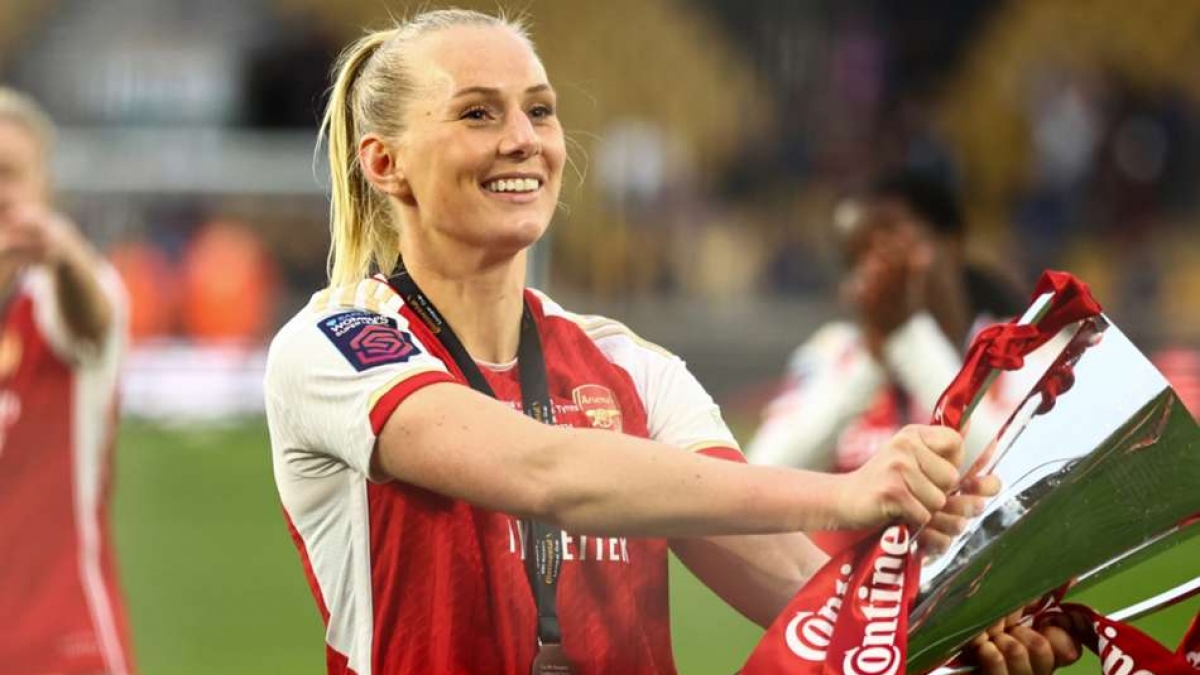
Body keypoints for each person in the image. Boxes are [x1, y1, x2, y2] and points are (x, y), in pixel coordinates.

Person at [263, 11, 1076, 675]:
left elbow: (804, 593)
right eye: (479, 113)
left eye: (539, 110)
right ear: (385, 162)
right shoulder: (337, 345)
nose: (524, 139)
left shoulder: (633, 368)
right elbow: (546, 472)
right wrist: (844, 495)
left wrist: (949, 637)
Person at [748, 170, 1028, 481]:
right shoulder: (831, 351)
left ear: (950, 244)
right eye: (856, 258)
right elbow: (761, 478)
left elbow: (1015, 473)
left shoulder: (1019, 343)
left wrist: (907, 335)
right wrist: (873, 359)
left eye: (894, 246)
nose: (874, 269)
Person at [0, 89, 134, 675]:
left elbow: (90, 319)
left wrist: (63, 254)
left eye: (9, 174)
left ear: (44, 187)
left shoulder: (64, 291)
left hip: (60, 644)